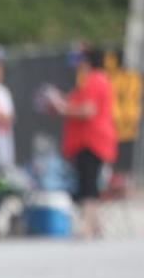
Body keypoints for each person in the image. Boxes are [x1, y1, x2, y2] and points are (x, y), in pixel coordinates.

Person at [49, 48, 117, 238]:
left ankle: (88, 226)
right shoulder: (97, 81)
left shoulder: (94, 80)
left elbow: (88, 110)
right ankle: (95, 225)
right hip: (93, 140)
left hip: (91, 140)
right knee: (91, 183)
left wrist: (63, 110)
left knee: (88, 184)